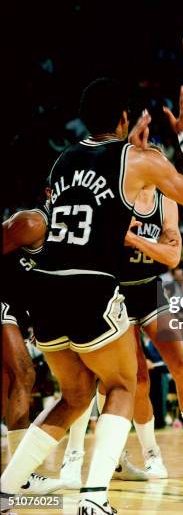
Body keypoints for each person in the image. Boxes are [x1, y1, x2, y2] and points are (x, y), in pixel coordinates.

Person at [0, 78, 183, 515]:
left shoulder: (63, 160)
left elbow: (108, 187)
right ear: (124, 119)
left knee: (74, 396)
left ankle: (5, 489)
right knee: (120, 384)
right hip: (89, 284)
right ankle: (94, 499)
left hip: (46, 290)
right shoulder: (138, 159)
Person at [60, 170, 183, 488]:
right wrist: (154, 246)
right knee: (135, 377)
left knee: (181, 365)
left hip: (150, 290)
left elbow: (173, 256)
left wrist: (133, 239)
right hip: (117, 290)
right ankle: (151, 454)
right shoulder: (118, 198)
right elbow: (112, 247)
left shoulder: (166, 202)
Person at [2, 207, 64, 495]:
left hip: (17, 307)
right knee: (23, 373)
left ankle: (17, 471)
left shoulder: (71, 235)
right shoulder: (33, 222)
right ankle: (21, 475)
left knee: (13, 381)